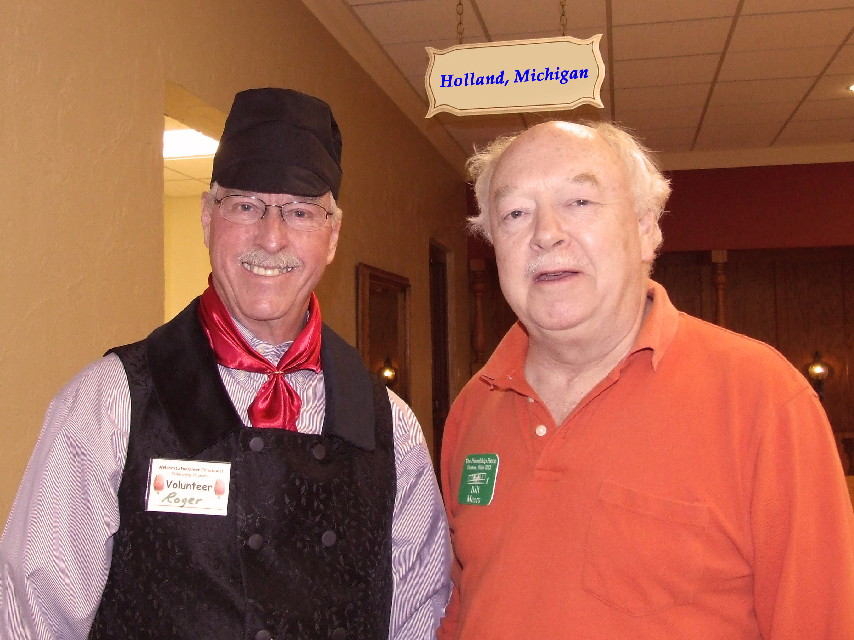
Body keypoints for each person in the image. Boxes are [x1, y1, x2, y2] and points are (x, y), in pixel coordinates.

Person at [0, 88, 450, 640]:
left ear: (333, 235)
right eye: (245, 205)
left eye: (301, 212)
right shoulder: (108, 405)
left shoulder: (392, 427)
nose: (271, 237)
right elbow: (31, 620)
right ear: (207, 218)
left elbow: (419, 618)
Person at [438, 120, 854, 639]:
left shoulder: (761, 399)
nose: (545, 233)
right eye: (515, 213)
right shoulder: (474, 408)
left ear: (646, 229)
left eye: (579, 202)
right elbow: (464, 604)